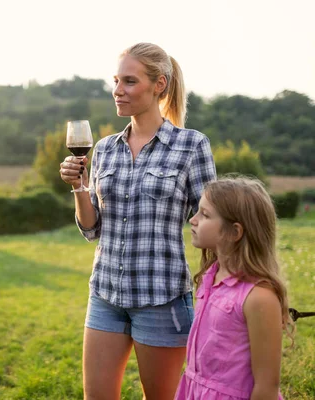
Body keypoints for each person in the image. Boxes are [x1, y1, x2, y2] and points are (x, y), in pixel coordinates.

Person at [59, 42, 217, 399]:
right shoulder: (104, 148)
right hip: (105, 295)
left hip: (161, 298)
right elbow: (91, 228)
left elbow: (213, 222)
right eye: (116, 81)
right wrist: (79, 187)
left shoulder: (191, 146)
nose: (118, 91)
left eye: (129, 81)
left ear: (159, 84)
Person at [176, 177, 291, 399]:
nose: (193, 219)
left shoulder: (259, 297)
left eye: (205, 215)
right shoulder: (211, 277)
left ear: (234, 232)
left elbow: (266, 387)